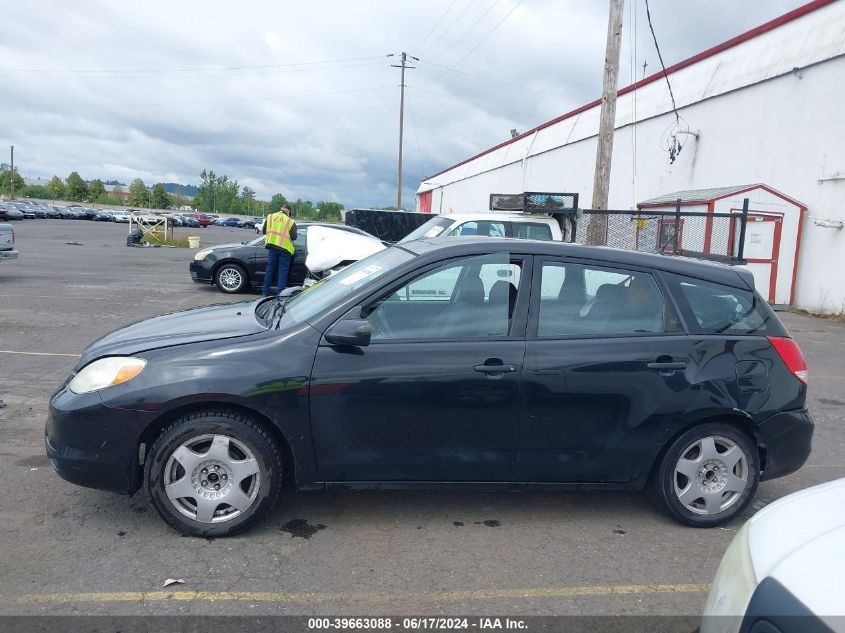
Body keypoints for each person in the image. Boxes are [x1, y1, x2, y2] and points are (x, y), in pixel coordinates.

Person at [261, 204, 297, 296]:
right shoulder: (290, 221)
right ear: (288, 211)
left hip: (272, 247)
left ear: (280, 209)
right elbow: (294, 237)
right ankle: (280, 294)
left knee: (270, 270)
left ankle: (265, 292)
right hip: (285, 250)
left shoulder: (270, 217)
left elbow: (264, 231)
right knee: (283, 272)